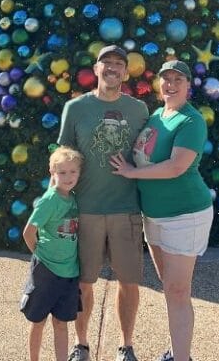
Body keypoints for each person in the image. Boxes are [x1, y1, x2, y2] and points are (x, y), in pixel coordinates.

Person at [109, 60, 213, 361]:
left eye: (178, 79)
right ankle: (176, 350)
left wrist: (130, 173)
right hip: (153, 215)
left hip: (184, 215)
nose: (170, 84)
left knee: (178, 290)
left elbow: (176, 166)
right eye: (165, 79)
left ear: (188, 85)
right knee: (170, 288)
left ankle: (182, 357)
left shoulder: (190, 121)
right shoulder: (157, 115)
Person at [58, 45, 149, 361]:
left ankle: (126, 345)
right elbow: (62, 159)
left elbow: (150, 155)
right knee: (83, 283)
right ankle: (81, 344)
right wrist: (57, 205)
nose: (112, 68)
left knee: (129, 282)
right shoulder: (76, 108)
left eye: (118, 64)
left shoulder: (139, 110)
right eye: (106, 62)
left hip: (127, 209)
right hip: (86, 210)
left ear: (126, 72)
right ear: (95, 69)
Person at [21, 147, 84, 361]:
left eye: (73, 172)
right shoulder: (49, 200)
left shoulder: (74, 199)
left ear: (79, 173)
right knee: (38, 321)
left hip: (69, 273)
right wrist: (40, 257)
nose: (68, 177)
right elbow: (29, 232)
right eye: (62, 172)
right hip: (46, 271)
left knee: (61, 322)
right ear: (52, 173)